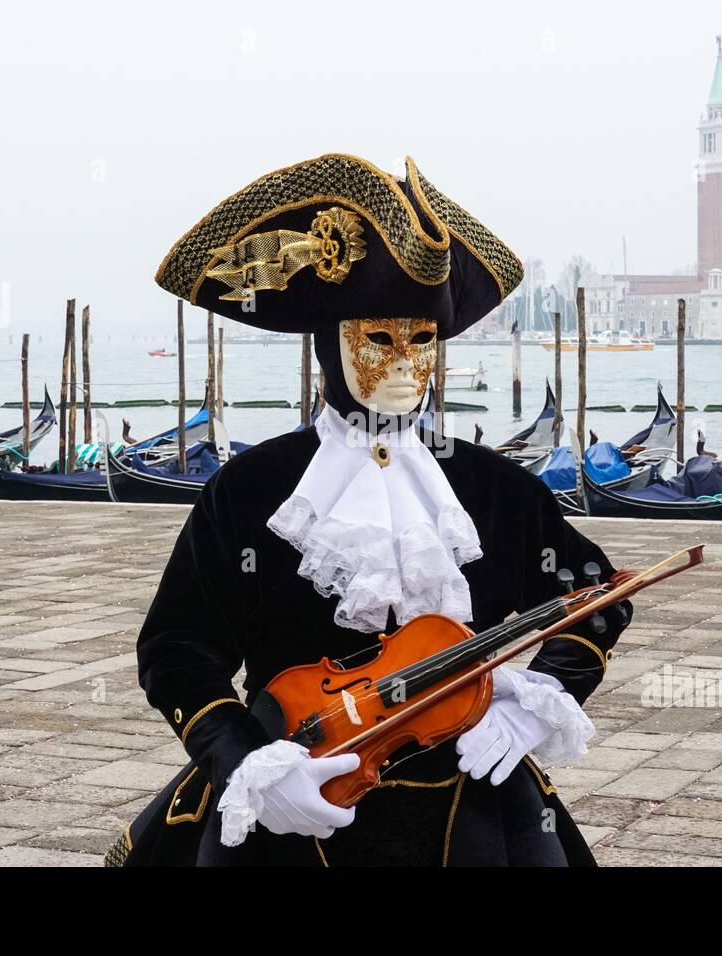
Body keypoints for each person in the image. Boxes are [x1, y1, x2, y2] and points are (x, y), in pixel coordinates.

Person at [105, 153, 632, 867]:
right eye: (380, 339)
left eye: (423, 341)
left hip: (471, 797)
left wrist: (535, 698)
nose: (405, 365)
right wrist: (249, 762)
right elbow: (176, 649)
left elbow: (598, 597)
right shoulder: (253, 490)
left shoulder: (488, 488)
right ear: (330, 341)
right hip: (299, 789)